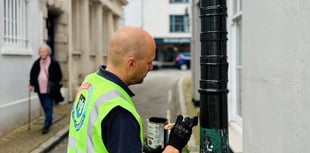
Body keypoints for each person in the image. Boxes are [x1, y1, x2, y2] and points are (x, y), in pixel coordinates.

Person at [67, 26, 194, 153]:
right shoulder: (119, 112)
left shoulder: (90, 82)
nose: (151, 68)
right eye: (148, 62)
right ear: (131, 63)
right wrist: (174, 146)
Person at [28, 44, 63, 134]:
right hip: (40, 88)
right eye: (41, 52)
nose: (42, 53)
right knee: (44, 106)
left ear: (48, 52)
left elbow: (59, 75)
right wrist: (31, 84)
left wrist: (54, 83)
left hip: (50, 89)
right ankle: (49, 119)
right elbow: (33, 74)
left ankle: (46, 126)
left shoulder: (54, 63)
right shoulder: (36, 63)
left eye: (44, 51)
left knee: (48, 106)